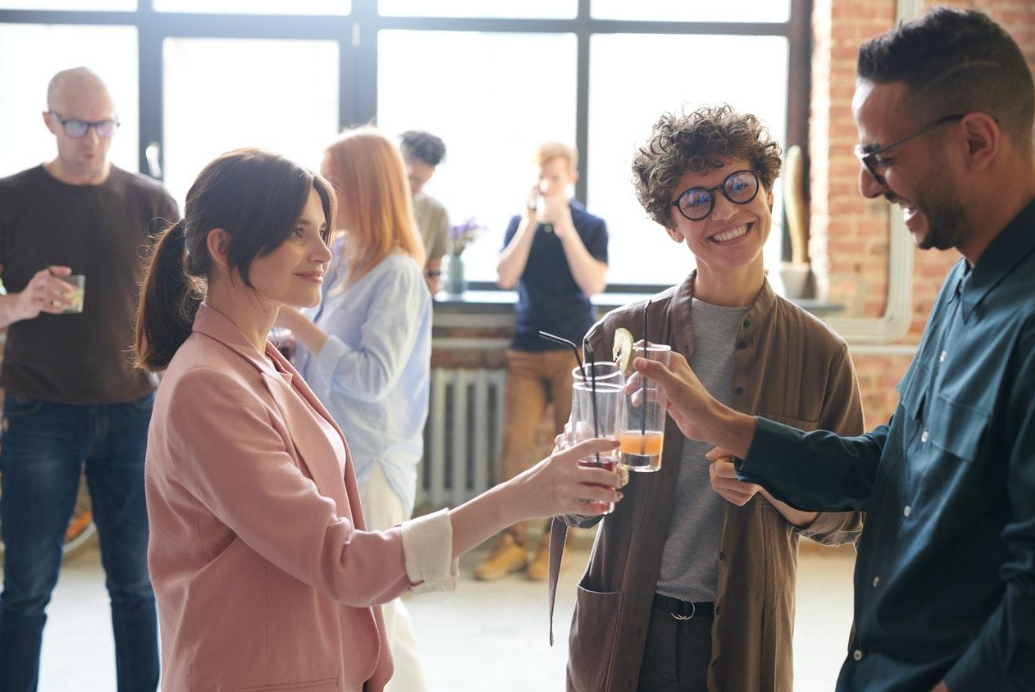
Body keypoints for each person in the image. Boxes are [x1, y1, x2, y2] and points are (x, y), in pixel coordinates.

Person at [632, 8, 1035, 692]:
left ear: (973, 140)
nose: (866, 186)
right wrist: (719, 424)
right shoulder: (963, 282)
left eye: (881, 158)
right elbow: (887, 465)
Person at [135, 146, 623, 691]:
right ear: (223, 247)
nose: (323, 250)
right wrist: (523, 495)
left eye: (323, 230)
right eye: (299, 233)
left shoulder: (265, 354)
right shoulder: (208, 384)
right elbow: (343, 561)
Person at [553, 105, 866, 692]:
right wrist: (572, 469)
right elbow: (570, 508)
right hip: (623, 624)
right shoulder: (616, 334)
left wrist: (773, 478)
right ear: (672, 225)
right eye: (696, 200)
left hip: (744, 634)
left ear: (768, 192)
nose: (723, 211)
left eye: (738, 186)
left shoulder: (822, 354)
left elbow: (848, 518)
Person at [0, 67, 177, 692]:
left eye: (104, 124)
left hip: (133, 411)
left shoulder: (153, 202)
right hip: (38, 413)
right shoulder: (10, 197)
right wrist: (18, 303)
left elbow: (179, 304)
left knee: (137, 584)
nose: (92, 139)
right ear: (49, 121)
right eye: (77, 125)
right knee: (25, 587)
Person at [276, 127, 431, 692]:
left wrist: (297, 326)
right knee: (378, 610)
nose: (320, 192)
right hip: (336, 447)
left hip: (375, 459)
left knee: (377, 607)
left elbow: (371, 377)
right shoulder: (341, 256)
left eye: (332, 180)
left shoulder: (398, 274)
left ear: (361, 187)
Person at [477, 141, 609, 582]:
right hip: (526, 350)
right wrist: (531, 224)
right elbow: (504, 277)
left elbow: (593, 285)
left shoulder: (591, 225)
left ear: (571, 177)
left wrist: (565, 224)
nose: (547, 184)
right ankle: (511, 542)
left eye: (555, 176)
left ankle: (556, 545)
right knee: (515, 447)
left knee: (571, 449)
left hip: (575, 352)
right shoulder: (521, 223)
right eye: (542, 176)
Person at [399, 130, 449, 293]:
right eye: (412, 179)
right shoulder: (372, 203)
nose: (418, 188)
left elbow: (434, 271)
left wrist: (432, 282)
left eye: (424, 181)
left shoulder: (436, 211)